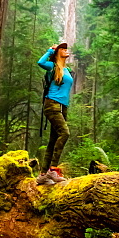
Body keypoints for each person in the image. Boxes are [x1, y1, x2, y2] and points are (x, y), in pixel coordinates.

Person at [36, 41, 72, 185]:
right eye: (62, 49)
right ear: (58, 53)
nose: (65, 50)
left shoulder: (67, 70)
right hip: (52, 104)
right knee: (65, 133)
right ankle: (53, 170)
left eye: (65, 48)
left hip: (63, 107)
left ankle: (43, 174)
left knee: (53, 140)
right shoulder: (53, 66)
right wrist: (50, 51)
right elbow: (40, 62)